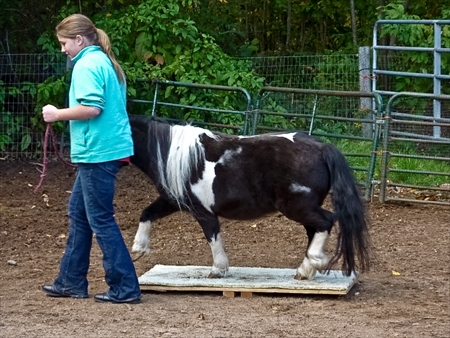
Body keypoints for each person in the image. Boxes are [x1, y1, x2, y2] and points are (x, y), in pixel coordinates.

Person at [41, 14, 141, 304]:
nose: (63, 50)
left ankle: (125, 287)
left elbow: (92, 107)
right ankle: (70, 281)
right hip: (106, 149)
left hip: (99, 151)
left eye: (64, 43)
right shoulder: (104, 62)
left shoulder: (86, 64)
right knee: (80, 215)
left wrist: (57, 114)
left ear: (79, 40)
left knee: (100, 219)